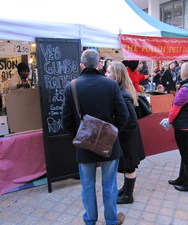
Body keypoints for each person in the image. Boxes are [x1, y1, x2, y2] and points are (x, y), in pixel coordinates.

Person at [61, 49, 129, 225]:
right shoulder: (111, 85)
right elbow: (124, 116)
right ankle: (111, 220)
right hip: (110, 145)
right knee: (110, 185)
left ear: (81, 65)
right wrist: (112, 134)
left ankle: (90, 220)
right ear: (99, 64)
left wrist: (79, 136)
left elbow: (65, 121)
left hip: (84, 145)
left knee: (88, 185)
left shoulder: (72, 86)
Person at [105, 61, 145, 204]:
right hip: (128, 137)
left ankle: (129, 196)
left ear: (117, 75)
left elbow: (132, 120)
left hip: (128, 139)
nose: (106, 74)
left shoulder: (123, 93)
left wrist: (118, 132)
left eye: (109, 72)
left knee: (129, 166)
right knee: (128, 166)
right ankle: (125, 189)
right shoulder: (121, 89)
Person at [160, 62, 188, 192]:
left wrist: (169, 121)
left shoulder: (185, 89)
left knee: (186, 154)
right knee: (185, 153)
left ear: (184, 73)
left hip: (183, 127)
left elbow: (174, 110)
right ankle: (182, 178)